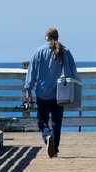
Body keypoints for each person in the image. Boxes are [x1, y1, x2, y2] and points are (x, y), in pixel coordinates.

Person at [25, 27, 77, 158]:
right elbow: (74, 72)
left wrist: (28, 89)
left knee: (41, 120)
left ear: (46, 37)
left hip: (43, 92)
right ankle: (55, 148)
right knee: (56, 121)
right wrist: (76, 89)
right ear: (58, 37)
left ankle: (47, 136)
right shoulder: (65, 51)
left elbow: (32, 73)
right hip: (61, 93)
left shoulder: (39, 52)